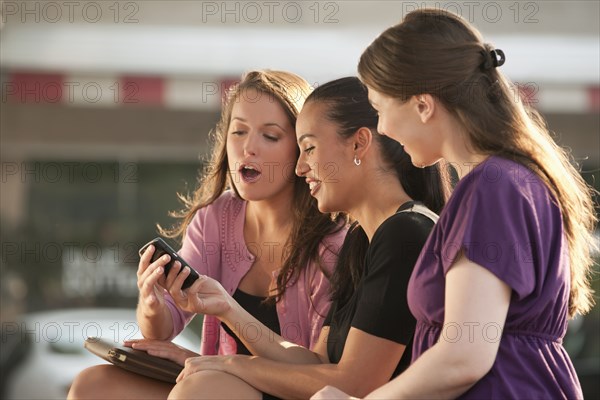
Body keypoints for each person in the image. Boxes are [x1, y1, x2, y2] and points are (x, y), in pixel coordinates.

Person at [313, 9, 597, 400]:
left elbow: (464, 355)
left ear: (423, 105)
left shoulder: (490, 187)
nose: (382, 129)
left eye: (380, 110)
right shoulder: (514, 179)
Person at [164, 77, 451, 400]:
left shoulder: (405, 233)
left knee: (203, 390)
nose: (301, 168)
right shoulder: (361, 243)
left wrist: (231, 364)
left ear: (358, 144)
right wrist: (227, 310)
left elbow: (355, 383)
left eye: (310, 148)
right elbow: (316, 362)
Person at [67, 70, 347, 399]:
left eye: (270, 136)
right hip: (218, 379)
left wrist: (224, 329)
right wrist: (152, 303)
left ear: (302, 151)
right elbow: (160, 330)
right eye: (238, 131)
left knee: (199, 388)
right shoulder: (217, 218)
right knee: (94, 385)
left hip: (291, 390)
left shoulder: (332, 239)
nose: (248, 147)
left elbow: (317, 369)